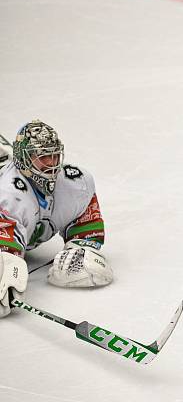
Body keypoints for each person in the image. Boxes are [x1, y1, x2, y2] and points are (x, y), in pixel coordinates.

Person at [0, 119, 113, 318]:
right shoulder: (8, 194)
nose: (51, 164)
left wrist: (80, 246)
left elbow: (87, 228)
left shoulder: (77, 182)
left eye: (53, 155)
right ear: (23, 160)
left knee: (90, 269)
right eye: (41, 158)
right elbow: (6, 255)